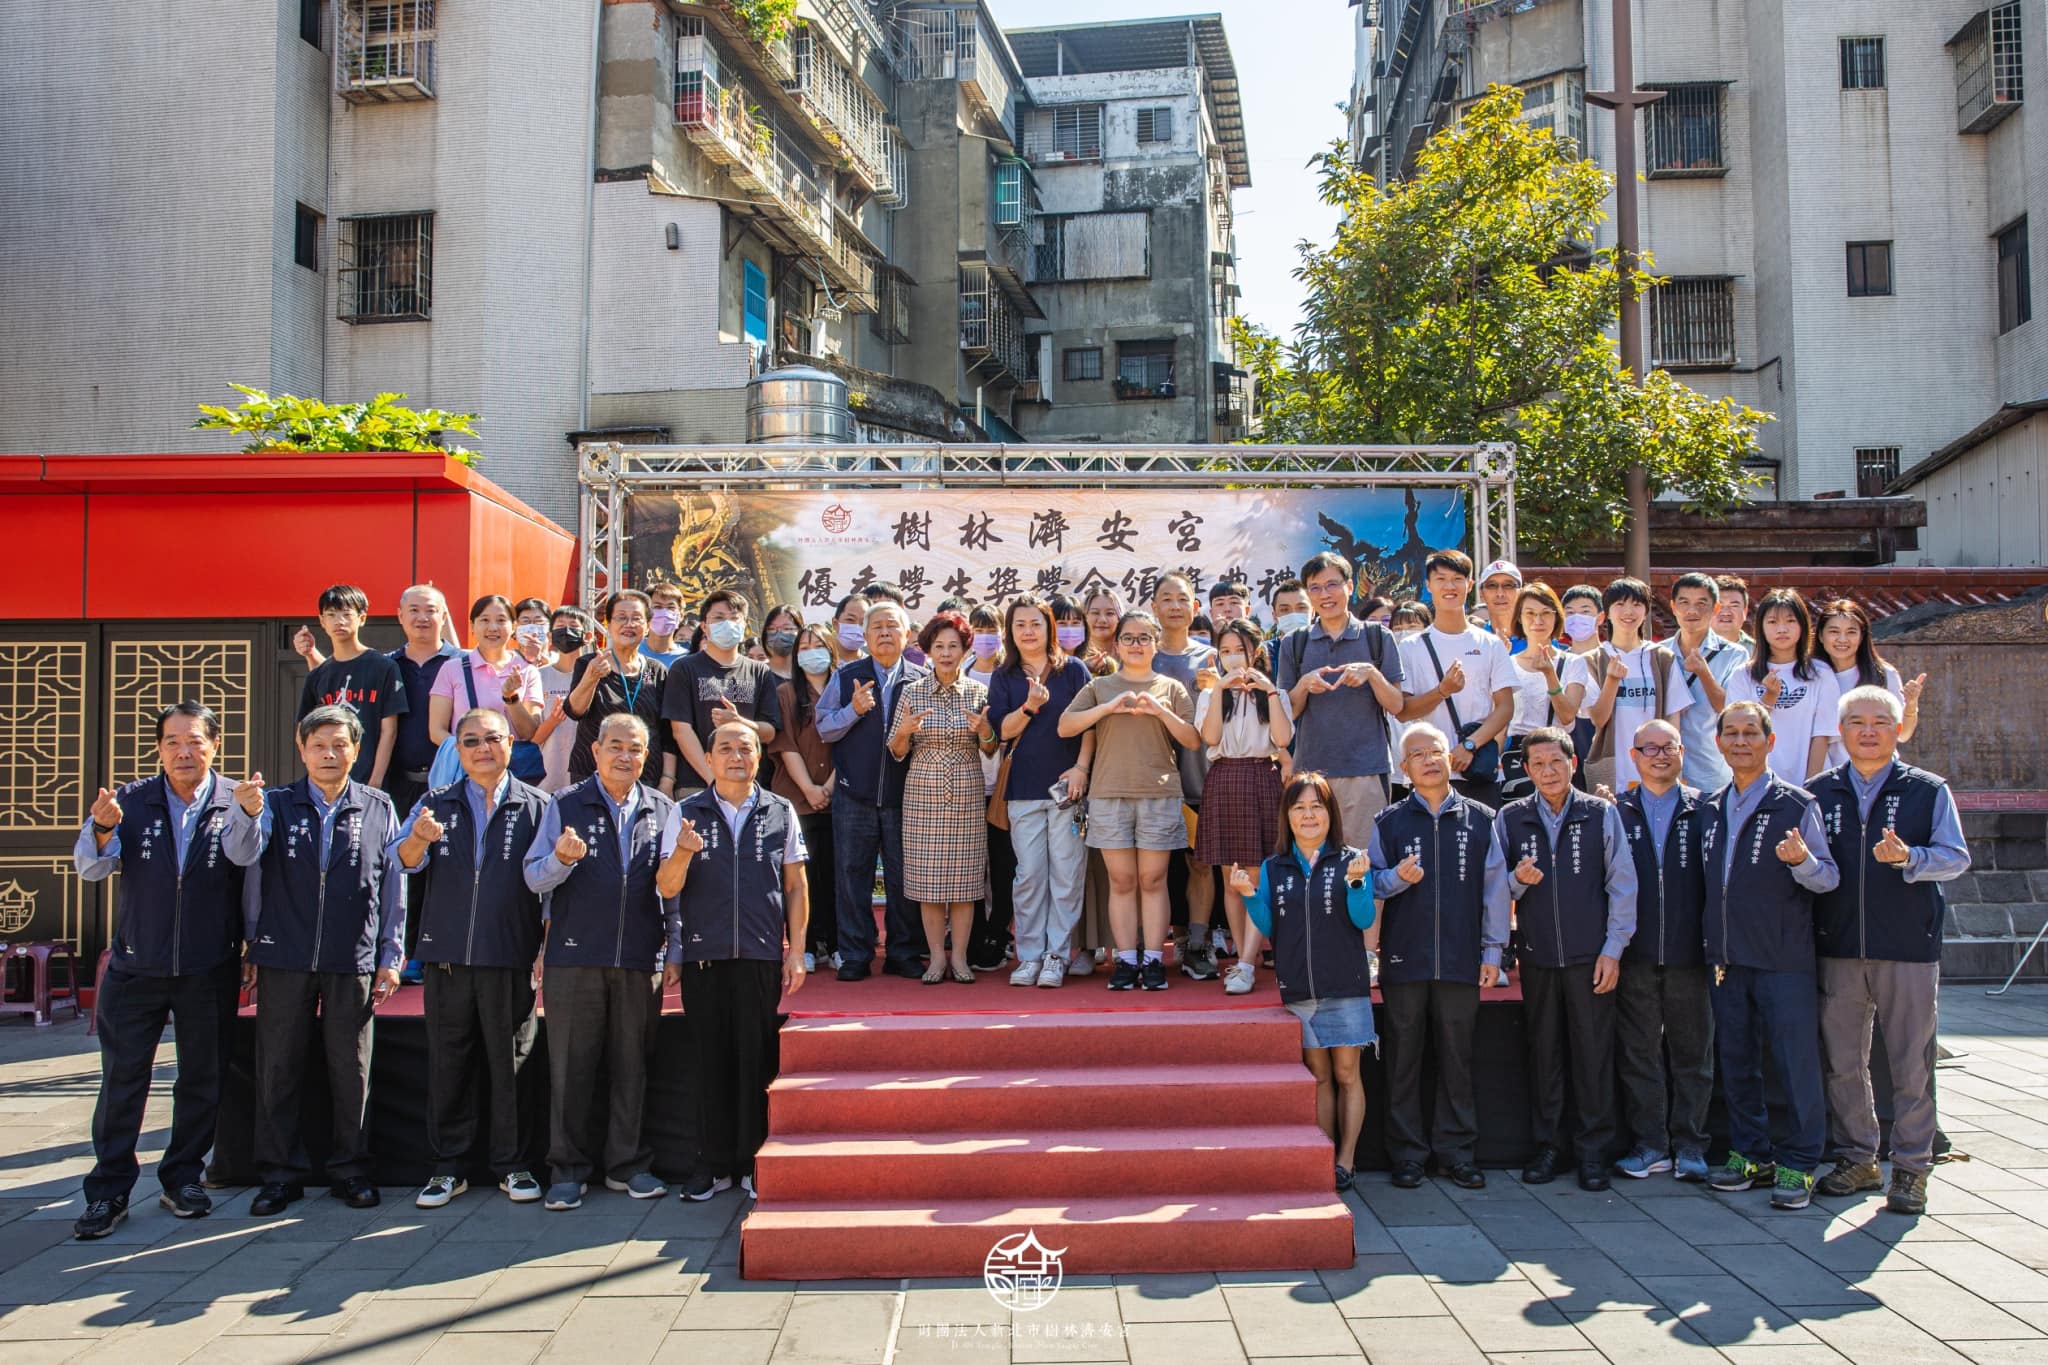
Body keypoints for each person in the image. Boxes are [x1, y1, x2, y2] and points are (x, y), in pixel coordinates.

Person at [71, 703, 262, 1239]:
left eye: (196, 741)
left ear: (215, 747)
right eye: (174, 741)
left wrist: (250, 946)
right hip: (137, 966)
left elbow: (250, 872)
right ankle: (109, 1190)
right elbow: (90, 867)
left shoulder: (236, 800)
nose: (185, 751)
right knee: (123, 1081)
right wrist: (104, 830)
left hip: (209, 965)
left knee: (202, 1078)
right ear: (159, 748)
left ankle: (183, 1177)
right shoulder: (130, 801)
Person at [236, 705, 405, 1216]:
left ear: (357, 749)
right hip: (283, 954)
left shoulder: (377, 805)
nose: (330, 754)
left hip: (350, 954)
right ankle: (279, 1173)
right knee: (279, 1066)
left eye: (340, 745)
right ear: (301, 747)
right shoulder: (275, 804)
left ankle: (351, 1169)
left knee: (350, 1068)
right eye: (319, 745)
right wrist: (251, 943)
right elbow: (250, 875)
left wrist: (391, 953)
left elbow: (395, 885)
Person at [1809, 687, 1970, 1215]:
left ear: (1898, 728)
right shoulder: (1819, 793)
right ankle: (1858, 1156)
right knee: (1843, 1062)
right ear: (1842, 731)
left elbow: (1955, 856)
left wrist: (1911, 857)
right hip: (1839, 944)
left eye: (1881, 721)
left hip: (1907, 946)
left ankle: (1912, 1167)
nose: (1869, 730)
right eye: (1857, 721)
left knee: (1910, 1061)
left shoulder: (1926, 789)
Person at [522, 714, 684, 1210]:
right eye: (615, 746)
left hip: (640, 956)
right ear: (595, 751)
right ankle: (567, 1169)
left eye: (635, 749)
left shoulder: (662, 808)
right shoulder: (565, 804)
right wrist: (562, 860)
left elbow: (673, 890)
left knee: (632, 1065)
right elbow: (533, 878)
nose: (625, 756)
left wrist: (674, 946)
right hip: (575, 957)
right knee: (571, 1066)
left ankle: (628, 1165)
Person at [390, 708, 549, 1208]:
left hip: (509, 954)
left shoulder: (538, 805)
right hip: (448, 956)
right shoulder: (436, 803)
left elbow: (548, 885)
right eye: (472, 741)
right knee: (449, 1062)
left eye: (493, 739)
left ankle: (514, 1164)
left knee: (512, 1063)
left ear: (510, 746)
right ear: (457, 751)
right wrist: (418, 838)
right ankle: (448, 1167)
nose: (484, 748)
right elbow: (400, 861)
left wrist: (543, 946)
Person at [660, 723, 809, 1200]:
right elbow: (666, 886)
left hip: (761, 953)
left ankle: (750, 1161)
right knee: (709, 1061)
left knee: (754, 1059)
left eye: (745, 748)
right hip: (704, 955)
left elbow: (796, 886)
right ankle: (711, 1162)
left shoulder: (780, 810)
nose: (736, 756)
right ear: (708, 757)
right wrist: (682, 853)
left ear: (759, 757)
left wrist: (798, 950)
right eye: (724, 748)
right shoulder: (684, 813)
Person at [1701, 701, 1841, 1210]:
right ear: (1718, 743)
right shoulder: (1710, 807)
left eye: (1751, 733)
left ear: (1770, 741)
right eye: (1731, 733)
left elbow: (1828, 877)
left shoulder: (1796, 803)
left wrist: (1802, 860)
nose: (1741, 741)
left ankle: (1801, 1161)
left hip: (1783, 957)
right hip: (1725, 957)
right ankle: (1750, 1153)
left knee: (1794, 1063)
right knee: (1736, 1062)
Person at [1369, 725, 1510, 1191]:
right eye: (1417, 755)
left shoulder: (1483, 818)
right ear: (1404, 769)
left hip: (1460, 957)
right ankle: (1407, 1154)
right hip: (1405, 958)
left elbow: (1495, 891)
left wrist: (1493, 950)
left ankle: (1457, 1152)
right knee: (1403, 1060)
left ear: (1449, 758)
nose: (1429, 760)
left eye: (1435, 751)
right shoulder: (1388, 821)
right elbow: (1369, 885)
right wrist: (1395, 879)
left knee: (1457, 1059)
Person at [1496, 726, 1636, 1192]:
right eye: (1538, 764)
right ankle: (1549, 1146)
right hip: (1537, 956)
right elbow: (1496, 890)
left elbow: (1622, 885)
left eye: (1556, 761)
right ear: (1527, 769)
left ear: (1573, 764)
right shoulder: (1511, 818)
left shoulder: (1599, 814)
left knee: (1594, 1056)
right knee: (1545, 1054)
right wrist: (1518, 880)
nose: (1548, 771)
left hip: (1590, 957)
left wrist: (1613, 951)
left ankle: (1594, 1151)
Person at [1231, 772, 1377, 1192]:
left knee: (1348, 1072)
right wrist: (1247, 895)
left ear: (1330, 813)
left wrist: (1356, 884)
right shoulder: (1274, 866)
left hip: (1345, 984)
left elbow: (1364, 919)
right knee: (1319, 1074)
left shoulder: (1351, 859)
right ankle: (1323, 1154)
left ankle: (1346, 1160)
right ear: (1287, 816)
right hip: (1299, 986)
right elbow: (1269, 925)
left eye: (1316, 806)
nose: (1308, 815)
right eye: (1299, 807)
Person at [1059, 610, 1203, 992]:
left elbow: (1192, 739)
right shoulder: (1100, 686)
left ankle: (1154, 959)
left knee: (1153, 880)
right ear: (1117, 644)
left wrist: (1158, 710)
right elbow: (1066, 725)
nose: (1136, 644)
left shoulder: (1171, 687)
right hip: (1108, 794)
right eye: (1128, 638)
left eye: (1143, 637)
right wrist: (1109, 707)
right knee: (1121, 881)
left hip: (1159, 794)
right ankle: (1125, 959)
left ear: (1156, 643)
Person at [1610, 720, 1714, 1184]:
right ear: (1633, 757)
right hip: (1634, 952)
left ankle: (1690, 1145)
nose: (1658, 755)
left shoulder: (1706, 809)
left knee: (1694, 1054)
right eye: (1648, 748)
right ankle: (1651, 1144)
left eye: (1667, 746)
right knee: (1640, 1054)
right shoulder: (1616, 810)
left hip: (1691, 953)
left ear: (1682, 753)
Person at [987, 594, 1095, 989]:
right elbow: (1001, 731)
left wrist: (1082, 767)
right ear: (1010, 632)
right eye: (1019, 625)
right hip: (1023, 789)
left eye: (1035, 623)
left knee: (1066, 874)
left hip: (1068, 787)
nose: (1028, 631)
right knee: (1029, 875)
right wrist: (1030, 706)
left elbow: (1090, 725)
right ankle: (1029, 955)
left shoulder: (1074, 670)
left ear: (1049, 627)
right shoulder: (1004, 676)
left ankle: (1056, 955)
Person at [818, 601, 929, 981]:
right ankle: (854, 954)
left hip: (906, 797)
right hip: (854, 793)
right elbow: (824, 728)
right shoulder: (847, 675)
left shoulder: (921, 677)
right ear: (864, 637)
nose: (884, 633)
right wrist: (853, 709)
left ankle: (903, 951)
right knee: (852, 876)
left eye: (892, 626)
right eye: (876, 627)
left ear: (907, 635)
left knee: (903, 878)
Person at [1276, 551, 1407, 865]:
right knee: (1314, 865)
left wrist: (1372, 675)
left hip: (1365, 771)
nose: (1325, 594)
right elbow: (1286, 715)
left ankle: (1368, 918)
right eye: (1316, 588)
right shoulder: (1294, 643)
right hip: (1311, 774)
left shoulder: (1378, 637)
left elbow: (1397, 705)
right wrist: (1303, 686)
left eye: (1332, 585)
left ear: (1350, 587)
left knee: (1364, 867)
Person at [888, 612, 996, 983]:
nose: (946, 653)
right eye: (939, 647)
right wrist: (902, 731)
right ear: (928, 651)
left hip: (967, 789)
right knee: (928, 882)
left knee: (966, 882)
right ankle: (936, 958)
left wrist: (984, 731)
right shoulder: (913, 692)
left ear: (966, 649)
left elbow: (991, 749)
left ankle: (961, 958)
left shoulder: (979, 692)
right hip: (922, 792)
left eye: (953, 646)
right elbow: (896, 750)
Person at [1195, 620, 1294, 994]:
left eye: (1240, 649)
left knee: (1258, 876)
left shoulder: (1275, 693)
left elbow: (1283, 739)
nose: (1233, 658)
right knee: (1231, 878)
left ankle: (1250, 959)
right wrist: (1221, 687)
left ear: (1256, 651)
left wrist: (1267, 691)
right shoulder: (1210, 694)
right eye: (1225, 651)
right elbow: (1209, 738)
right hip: (1223, 777)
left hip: (1261, 776)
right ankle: (1242, 957)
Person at [1399, 550, 1516, 809]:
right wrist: (1442, 691)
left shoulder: (1490, 644)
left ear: (1470, 585)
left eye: (1457, 579)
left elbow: (1505, 707)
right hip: (1428, 771)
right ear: (1428, 585)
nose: (1449, 586)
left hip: (1478, 770)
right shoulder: (1410, 646)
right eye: (1440, 579)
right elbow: (1404, 711)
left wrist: (1470, 745)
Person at [1149, 574, 1220, 979]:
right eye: (1166, 599)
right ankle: (1160, 944)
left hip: (1200, 778)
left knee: (1199, 864)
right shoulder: (1142, 653)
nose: (1175, 606)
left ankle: (1197, 940)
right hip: (1150, 780)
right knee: (1156, 868)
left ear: (1196, 608)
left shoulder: (1211, 657)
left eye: (1183, 599)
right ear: (1154, 607)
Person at [768, 623, 839, 972]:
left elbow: (851, 744)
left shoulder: (845, 688)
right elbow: (785, 746)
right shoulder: (785, 693)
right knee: (801, 874)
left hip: (839, 796)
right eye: (805, 646)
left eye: (819, 644)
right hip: (796, 798)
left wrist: (828, 786)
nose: (813, 652)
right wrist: (811, 789)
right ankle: (805, 945)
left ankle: (837, 942)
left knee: (836, 873)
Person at [664, 589, 783, 794]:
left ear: (744, 626)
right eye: (719, 618)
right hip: (697, 785)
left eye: (734, 618)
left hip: (747, 787)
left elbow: (769, 732)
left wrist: (738, 721)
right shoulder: (683, 668)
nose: (727, 624)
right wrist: (715, 780)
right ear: (704, 627)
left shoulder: (760, 671)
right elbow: (681, 731)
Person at [1579, 577, 1691, 793]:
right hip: (1612, 766)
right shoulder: (1593, 660)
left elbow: (1672, 719)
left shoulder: (1662, 658)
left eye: (1637, 604)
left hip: (1657, 765)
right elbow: (1598, 718)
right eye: (1620, 604)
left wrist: (1668, 757)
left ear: (1646, 611)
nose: (1628, 611)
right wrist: (1612, 681)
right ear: (1607, 614)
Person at [1724, 589, 1840, 785]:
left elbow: (1821, 736)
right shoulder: (1743, 675)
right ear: (1760, 627)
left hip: (1811, 783)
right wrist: (1767, 700)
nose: (1782, 629)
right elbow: (1738, 732)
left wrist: (1809, 787)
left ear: (1802, 625)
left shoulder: (1821, 674)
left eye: (1790, 621)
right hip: (1758, 784)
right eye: (1772, 622)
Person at [295, 584, 406, 786]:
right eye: (331, 615)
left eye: (347, 614)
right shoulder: (317, 675)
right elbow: (303, 730)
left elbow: (389, 730)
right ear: (322, 621)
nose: (339, 621)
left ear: (361, 618)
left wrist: (376, 781)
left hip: (371, 780)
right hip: (328, 783)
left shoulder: (384, 667)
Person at [566, 590, 675, 794]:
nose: (629, 624)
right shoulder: (589, 663)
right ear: (608, 624)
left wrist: (668, 779)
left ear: (648, 626)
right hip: (591, 772)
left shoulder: (658, 671)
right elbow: (575, 711)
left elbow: (668, 732)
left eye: (636, 619)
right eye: (621, 618)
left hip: (645, 774)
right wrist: (591, 677)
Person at [430, 596, 545, 780]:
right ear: (472, 626)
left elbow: (529, 732)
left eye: (501, 620)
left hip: (512, 775)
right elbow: (436, 731)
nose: (493, 628)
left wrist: (511, 697)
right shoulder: (452, 668)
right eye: (484, 620)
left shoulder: (528, 671)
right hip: (465, 774)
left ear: (513, 626)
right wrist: (474, 751)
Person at [378, 584, 464, 823]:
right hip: (395, 785)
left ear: (444, 616)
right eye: (414, 610)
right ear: (400, 615)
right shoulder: (386, 666)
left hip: (454, 782)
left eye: (431, 610)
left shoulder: (464, 664)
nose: (422, 618)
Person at [965, 603, 1018, 972]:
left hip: (1004, 784)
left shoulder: (1010, 675)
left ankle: (1000, 931)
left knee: (1004, 866)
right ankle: (974, 933)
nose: (986, 637)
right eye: (978, 630)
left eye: (992, 629)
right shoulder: (961, 675)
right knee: (972, 866)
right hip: (967, 786)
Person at [1501, 582, 1584, 802]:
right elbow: (1500, 721)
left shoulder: (1573, 663)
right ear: (1519, 617)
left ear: (1556, 617)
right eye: (1530, 613)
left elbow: (1567, 715)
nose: (1538, 621)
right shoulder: (1507, 664)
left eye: (1546, 613)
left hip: (1557, 752)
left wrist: (1550, 674)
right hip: (1517, 757)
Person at [1817, 599, 1923, 768]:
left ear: (1862, 636)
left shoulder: (1883, 675)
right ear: (1821, 636)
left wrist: (1910, 705)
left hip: (1878, 773)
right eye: (1834, 631)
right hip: (1830, 779)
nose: (1842, 639)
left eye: (1851, 632)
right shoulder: (1810, 676)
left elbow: (1902, 734)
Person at [1666, 573, 1748, 793]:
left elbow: (1730, 710)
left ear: (1715, 608)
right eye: (1684, 603)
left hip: (1712, 771)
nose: (1692, 611)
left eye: (1701, 604)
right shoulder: (1659, 653)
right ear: (1673, 606)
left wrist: (1703, 672)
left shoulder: (1734, 655)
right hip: (1663, 770)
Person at [534, 606, 592, 793]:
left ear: (588, 636)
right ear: (550, 637)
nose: (566, 631)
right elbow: (531, 738)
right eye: (560, 626)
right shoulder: (537, 677)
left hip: (587, 778)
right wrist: (553, 720)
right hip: (546, 780)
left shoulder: (595, 675)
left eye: (573, 626)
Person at [1473, 559, 1527, 655]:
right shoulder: (1474, 641)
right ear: (1481, 593)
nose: (1500, 593)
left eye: (1508, 585)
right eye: (1492, 585)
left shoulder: (1538, 638)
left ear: (1521, 592)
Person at [642, 582, 690, 667]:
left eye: (671, 608)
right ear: (646, 613)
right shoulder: (632, 650)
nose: (664, 613)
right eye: (657, 607)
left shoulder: (687, 659)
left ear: (681, 615)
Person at [761, 603, 803, 683]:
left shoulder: (809, 673)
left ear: (800, 631)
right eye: (772, 628)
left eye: (786, 628)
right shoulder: (758, 674)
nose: (779, 634)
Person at [1082, 586, 1123, 669]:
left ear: (1118, 618)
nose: (1102, 620)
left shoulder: (1132, 653)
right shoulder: (1074, 658)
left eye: (1110, 613)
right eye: (1095, 613)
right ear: (1083, 617)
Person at [1713, 574, 1755, 651]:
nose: (1726, 612)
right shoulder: (1690, 648)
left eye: (1734, 606)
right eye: (1719, 605)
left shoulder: (1758, 652)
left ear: (1745, 612)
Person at [1559, 584, 1604, 657]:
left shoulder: (1614, 659)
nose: (1577, 618)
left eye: (1585, 611)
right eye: (1570, 612)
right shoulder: (1556, 662)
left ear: (1600, 618)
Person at [512, 597, 556, 670]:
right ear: (514, 628)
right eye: (525, 621)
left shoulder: (558, 662)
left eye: (539, 621)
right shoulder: (507, 661)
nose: (532, 627)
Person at [829, 593, 869, 670]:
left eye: (863, 623)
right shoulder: (821, 662)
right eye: (850, 620)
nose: (857, 628)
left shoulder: (873, 666)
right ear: (835, 624)